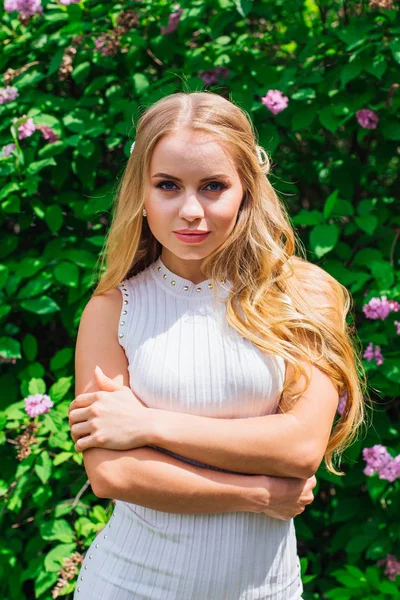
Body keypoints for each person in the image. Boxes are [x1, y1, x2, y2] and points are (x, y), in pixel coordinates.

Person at [68, 91, 367, 599]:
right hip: (128, 586)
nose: (190, 210)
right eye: (167, 186)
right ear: (141, 193)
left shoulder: (304, 295)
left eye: (213, 186)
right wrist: (256, 493)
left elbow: (299, 448)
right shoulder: (111, 310)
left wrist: (147, 423)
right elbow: (113, 474)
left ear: (246, 191)